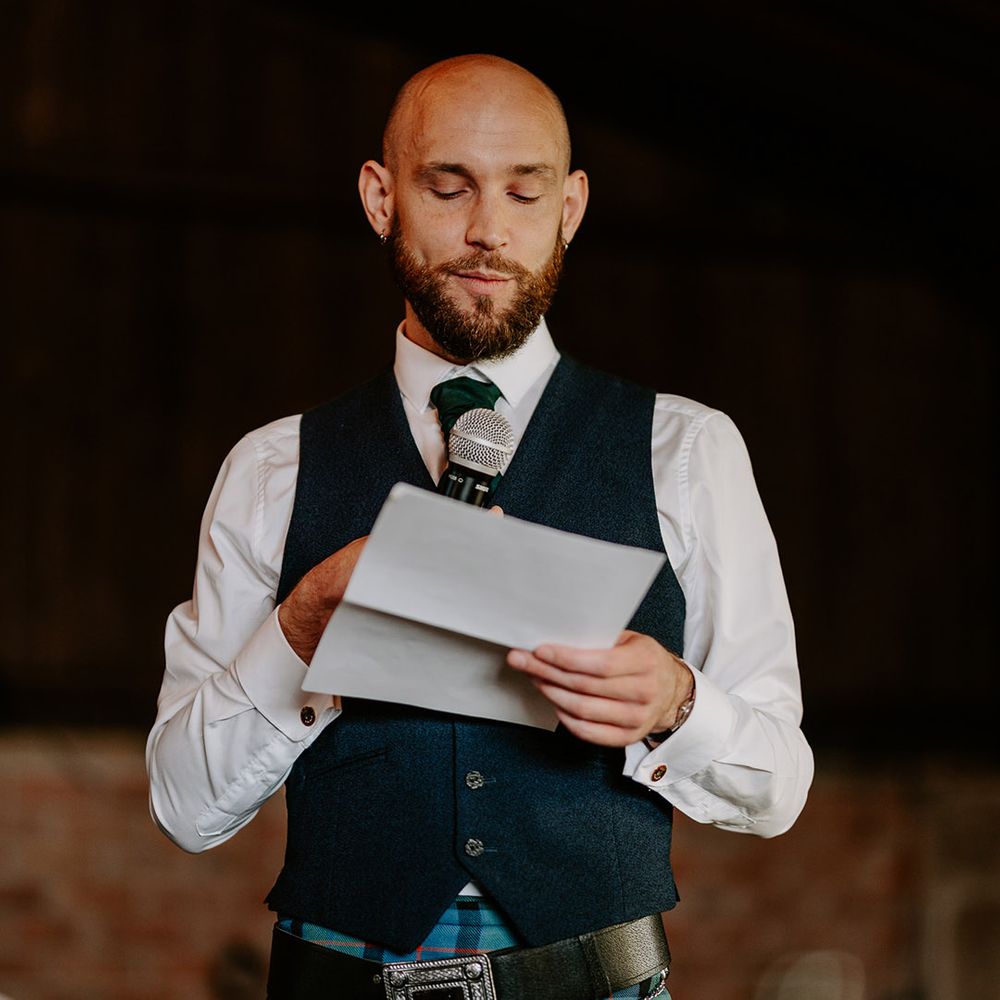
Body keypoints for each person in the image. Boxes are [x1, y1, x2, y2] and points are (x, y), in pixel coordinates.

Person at [147, 54, 813, 1000]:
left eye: (525, 194)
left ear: (571, 209)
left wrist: (675, 703)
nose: (488, 232)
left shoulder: (689, 449)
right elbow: (181, 804)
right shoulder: (271, 470)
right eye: (448, 187)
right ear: (382, 199)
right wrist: (297, 631)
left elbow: (781, 783)